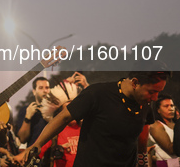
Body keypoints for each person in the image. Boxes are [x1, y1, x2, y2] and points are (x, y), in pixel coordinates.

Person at [17, 70, 171, 167]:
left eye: (159, 92)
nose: (155, 97)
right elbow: (63, 118)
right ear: (135, 83)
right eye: (152, 92)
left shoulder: (144, 102)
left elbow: (143, 131)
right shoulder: (97, 94)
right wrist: (36, 144)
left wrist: (142, 159)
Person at [37, 81, 81, 167]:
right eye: (68, 110)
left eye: (74, 108)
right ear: (60, 113)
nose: (72, 113)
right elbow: (37, 150)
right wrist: (58, 148)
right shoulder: (55, 130)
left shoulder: (85, 128)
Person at [15, 77, 50, 146]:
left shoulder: (56, 109)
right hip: (34, 153)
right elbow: (22, 139)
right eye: (41, 88)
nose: (45, 91)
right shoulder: (26, 110)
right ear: (34, 91)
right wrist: (28, 117)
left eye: (47, 87)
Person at [148, 94, 178, 167]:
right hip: (166, 164)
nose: (171, 108)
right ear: (158, 110)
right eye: (166, 106)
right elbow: (171, 150)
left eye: (172, 105)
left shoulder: (176, 124)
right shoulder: (156, 126)